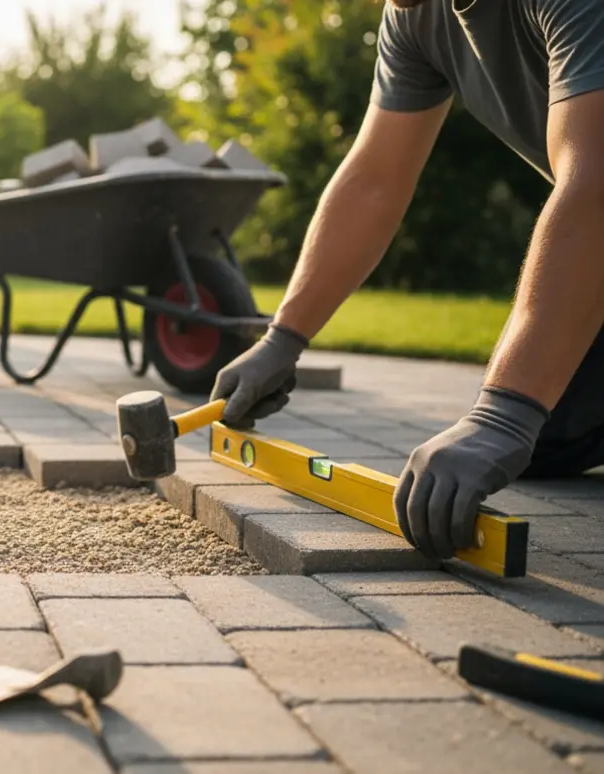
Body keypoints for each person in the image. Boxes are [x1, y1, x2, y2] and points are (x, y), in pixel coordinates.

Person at [210, 0, 604, 561]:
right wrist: (283, 337)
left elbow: (596, 184)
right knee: (544, 437)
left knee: (522, 412)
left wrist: (504, 412)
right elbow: (374, 178)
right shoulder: (416, 16)